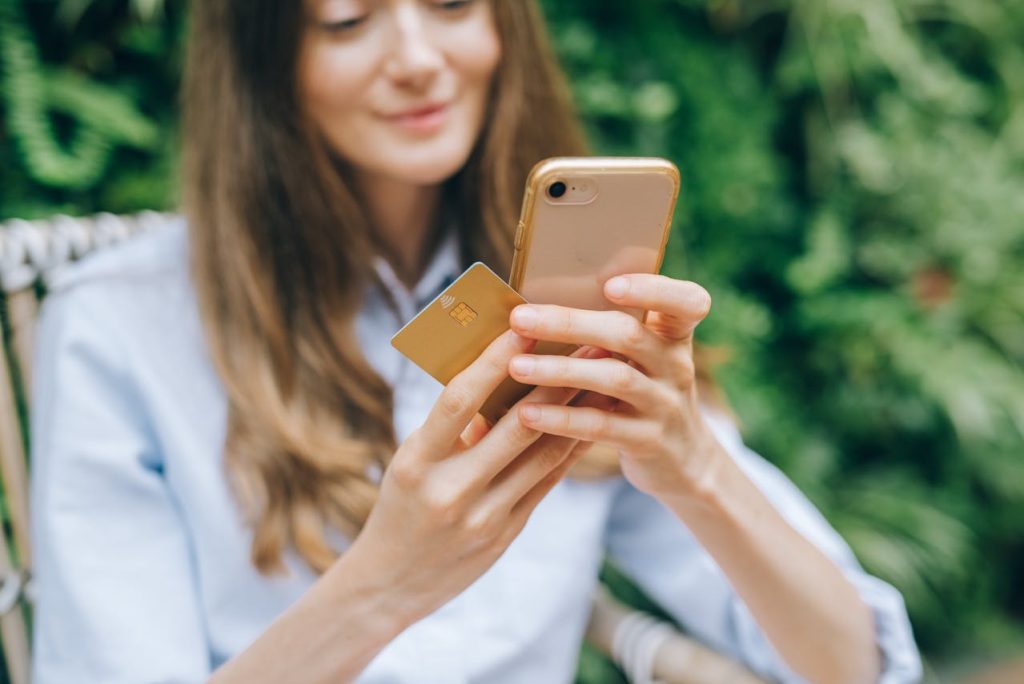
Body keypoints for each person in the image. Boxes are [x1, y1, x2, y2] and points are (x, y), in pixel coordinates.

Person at [30, 1, 922, 682]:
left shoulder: (570, 303)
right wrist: (385, 584)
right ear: (265, 63)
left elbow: (853, 663)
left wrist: (693, 465)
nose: (418, 60)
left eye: (454, 3)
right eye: (347, 21)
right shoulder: (121, 327)